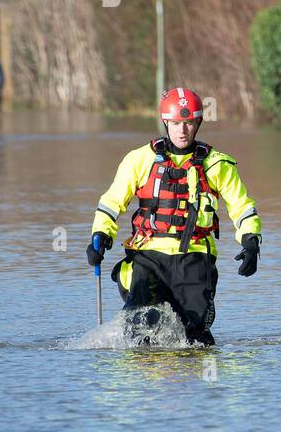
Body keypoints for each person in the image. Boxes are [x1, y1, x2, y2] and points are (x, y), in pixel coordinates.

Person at [87, 86, 263, 345]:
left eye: (189, 123)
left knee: (195, 338)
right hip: (148, 257)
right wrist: (100, 234)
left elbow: (242, 206)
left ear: (198, 122)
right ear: (165, 122)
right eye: (176, 123)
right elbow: (112, 202)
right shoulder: (139, 160)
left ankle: (196, 380)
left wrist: (250, 241)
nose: (182, 130)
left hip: (195, 258)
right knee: (140, 324)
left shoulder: (217, 164)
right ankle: (147, 376)